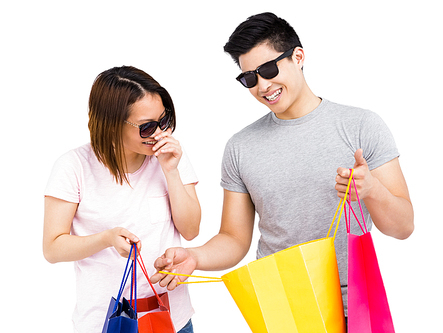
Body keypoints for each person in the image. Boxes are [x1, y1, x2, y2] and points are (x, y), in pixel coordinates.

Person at [151, 12, 414, 321]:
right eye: (250, 78)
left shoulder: (361, 126)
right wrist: (194, 257)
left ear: (298, 57)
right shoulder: (241, 147)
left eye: (269, 69)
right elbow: (235, 239)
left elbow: (403, 227)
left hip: (353, 307)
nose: (262, 85)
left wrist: (372, 190)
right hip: (281, 307)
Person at [43, 66, 201, 333]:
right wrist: (106, 239)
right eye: (147, 126)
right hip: (105, 323)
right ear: (111, 123)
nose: (160, 133)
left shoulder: (169, 157)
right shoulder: (74, 166)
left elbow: (191, 230)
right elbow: (53, 247)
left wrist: (171, 171)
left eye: (164, 120)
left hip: (172, 319)